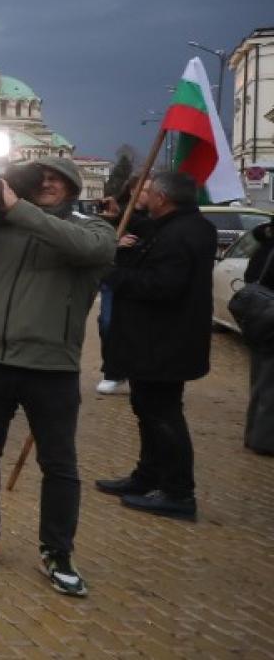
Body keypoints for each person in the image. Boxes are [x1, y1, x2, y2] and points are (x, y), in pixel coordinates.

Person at [0, 156, 114, 598]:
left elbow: (85, 250)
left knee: (59, 464)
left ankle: (57, 552)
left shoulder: (93, 231)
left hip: (50, 365)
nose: (48, 183)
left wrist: (18, 209)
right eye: (40, 178)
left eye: (57, 178)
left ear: (74, 187)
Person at [95, 171, 215, 520]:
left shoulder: (179, 234)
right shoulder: (183, 226)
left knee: (163, 416)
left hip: (163, 342)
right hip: (158, 341)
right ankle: (147, 477)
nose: (142, 195)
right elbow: (147, 236)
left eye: (148, 191)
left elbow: (162, 286)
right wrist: (119, 218)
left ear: (162, 198)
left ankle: (178, 492)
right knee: (147, 410)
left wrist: (111, 273)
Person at [94, 178, 144, 396]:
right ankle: (113, 372)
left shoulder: (157, 216)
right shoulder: (117, 214)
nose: (147, 194)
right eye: (144, 189)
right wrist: (115, 241)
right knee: (107, 323)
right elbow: (97, 241)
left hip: (142, 278)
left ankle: (137, 372)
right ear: (133, 190)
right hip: (115, 278)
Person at [232, 220, 274, 455]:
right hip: (268, 320)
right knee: (268, 384)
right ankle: (264, 440)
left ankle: (255, 435)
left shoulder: (266, 244)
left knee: (261, 381)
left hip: (261, 320)